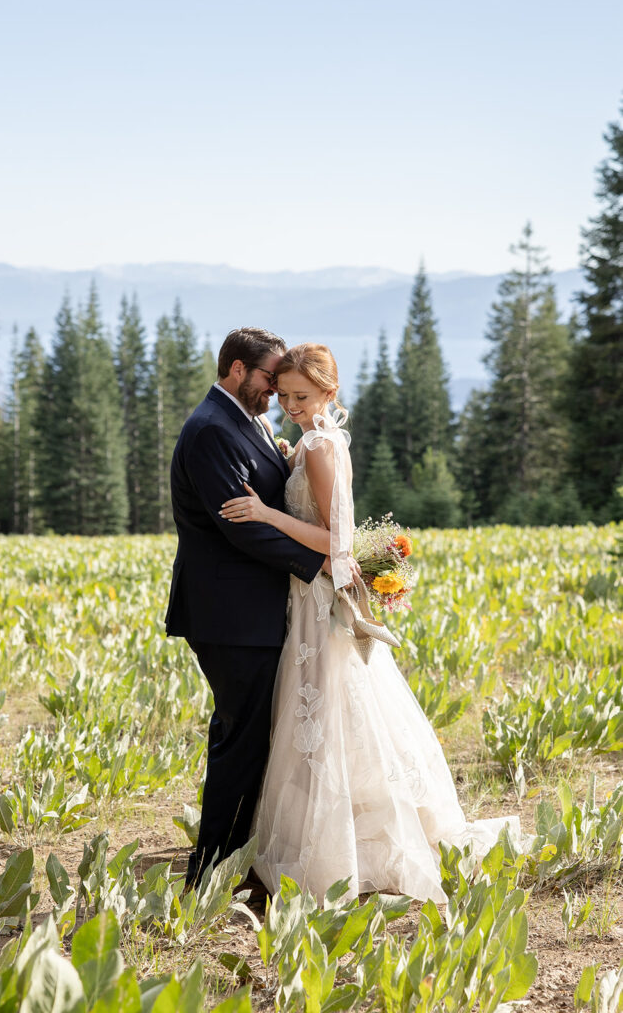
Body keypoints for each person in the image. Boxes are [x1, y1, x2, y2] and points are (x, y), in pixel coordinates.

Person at [220, 343, 520, 902]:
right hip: (306, 596)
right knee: (331, 711)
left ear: (330, 392)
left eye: (302, 396)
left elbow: (336, 545)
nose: (289, 404)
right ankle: (347, 831)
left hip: (316, 593)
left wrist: (266, 514)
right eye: (283, 395)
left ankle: (339, 845)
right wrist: (291, 460)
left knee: (328, 709)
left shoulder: (320, 445)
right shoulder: (320, 439)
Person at [165, 328, 329, 888]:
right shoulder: (211, 430)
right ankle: (211, 873)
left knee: (254, 735)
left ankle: (241, 858)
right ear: (238, 370)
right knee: (239, 739)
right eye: (269, 380)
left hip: (250, 610)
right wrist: (320, 564)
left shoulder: (247, 420)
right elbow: (241, 530)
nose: (278, 392)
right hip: (229, 615)